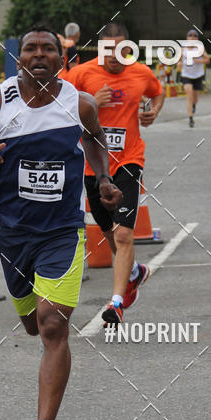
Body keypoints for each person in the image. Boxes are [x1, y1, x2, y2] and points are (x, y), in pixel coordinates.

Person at [0, 27, 122, 420]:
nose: (40, 54)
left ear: (62, 58)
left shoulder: (80, 104)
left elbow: (95, 138)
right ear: (19, 57)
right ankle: (37, 334)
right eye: (31, 48)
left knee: (52, 326)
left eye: (49, 49)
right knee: (31, 324)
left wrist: (103, 179)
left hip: (63, 230)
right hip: (13, 232)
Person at [66, 21, 165, 326]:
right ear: (100, 49)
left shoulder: (141, 73)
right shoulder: (81, 74)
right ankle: (134, 272)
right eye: (108, 50)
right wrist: (90, 104)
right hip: (93, 165)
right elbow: (58, 108)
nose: (114, 56)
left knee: (123, 233)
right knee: (108, 229)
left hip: (128, 161)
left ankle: (117, 302)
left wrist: (153, 111)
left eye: (121, 50)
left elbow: (157, 92)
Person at [177, 28, 210, 127]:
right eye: (190, 36)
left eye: (195, 36)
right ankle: (190, 118)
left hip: (198, 75)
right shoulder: (183, 48)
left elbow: (207, 60)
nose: (192, 38)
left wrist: (197, 60)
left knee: (195, 98)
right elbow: (178, 61)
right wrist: (179, 64)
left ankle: (194, 105)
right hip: (186, 75)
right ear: (187, 38)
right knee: (189, 95)